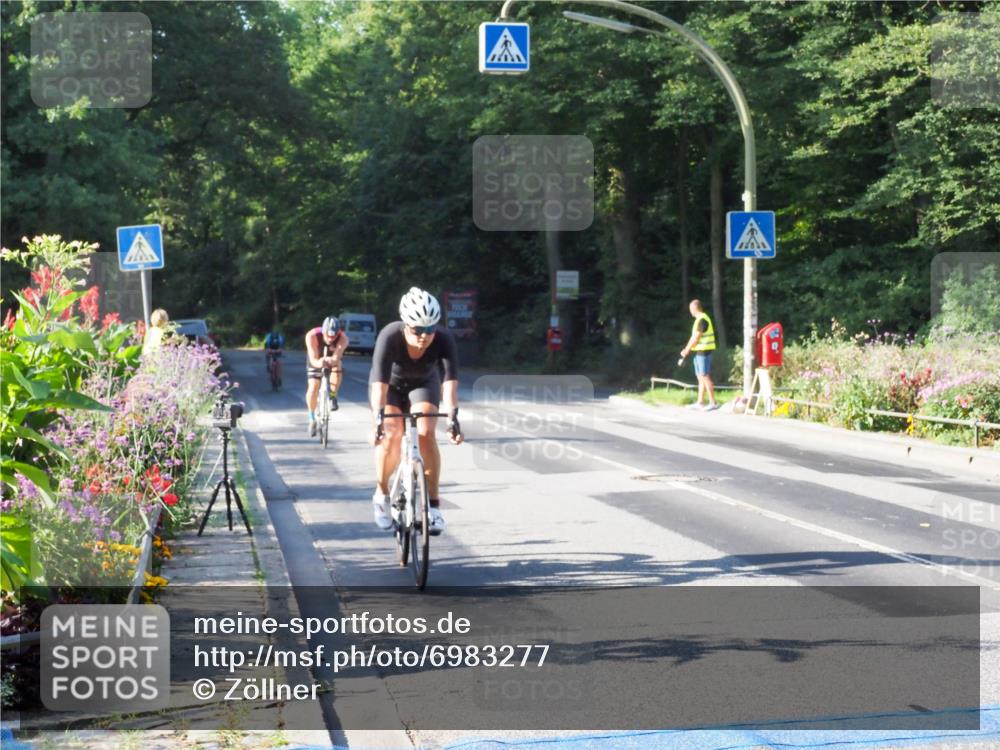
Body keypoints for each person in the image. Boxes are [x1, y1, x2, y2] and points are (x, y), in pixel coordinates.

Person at [369, 287, 463, 535]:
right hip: (390, 386)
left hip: (423, 384)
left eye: (430, 329)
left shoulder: (443, 339)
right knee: (392, 432)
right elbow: (379, 386)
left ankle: (433, 505)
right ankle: (381, 493)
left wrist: (453, 419)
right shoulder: (389, 336)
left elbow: (449, 384)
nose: (424, 336)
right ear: (406, 324)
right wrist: (377, 422)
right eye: (418, 330)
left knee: (426, 433)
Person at [305, 316, 349, 436]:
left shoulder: (343, 338)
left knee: (338, 366)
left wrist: (332, 360)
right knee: (313, 386)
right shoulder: (312, 336)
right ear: (323, 331)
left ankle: (333, 395)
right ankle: (312, 417)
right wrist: (320, 362)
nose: (330, 339)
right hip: (316, 358)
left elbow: (337, 356)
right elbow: (313, 359)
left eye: (333, 336)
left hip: (332, 358)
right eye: (328, 336)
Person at [680, 299, 719, 411]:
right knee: (700, 377)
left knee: (705, 376)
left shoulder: (702, 320)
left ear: (693, 309)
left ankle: (713, 402)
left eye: (690, 309)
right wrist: (687, 349)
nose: (690, 311)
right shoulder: (699, 319)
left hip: (704, 351)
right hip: (699, 351)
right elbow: (693, 337)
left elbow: (696, 337)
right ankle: (700, 402)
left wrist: (686, 350)